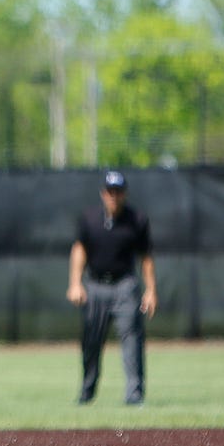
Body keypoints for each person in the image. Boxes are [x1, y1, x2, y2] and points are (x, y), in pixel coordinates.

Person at [66, 171, 157, 406]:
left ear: (125, 193)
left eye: (118, 191)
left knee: (131, 339)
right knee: (91, 341)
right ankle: (87, 392)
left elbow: (145, 257)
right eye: (110, 191)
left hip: (125, 286)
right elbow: (79, 250)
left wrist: (151, 290)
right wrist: (75, 283)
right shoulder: (90, 219)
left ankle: (134, 395)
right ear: (102, 193)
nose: (113, 196)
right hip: (95, 285)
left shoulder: (137, 220)